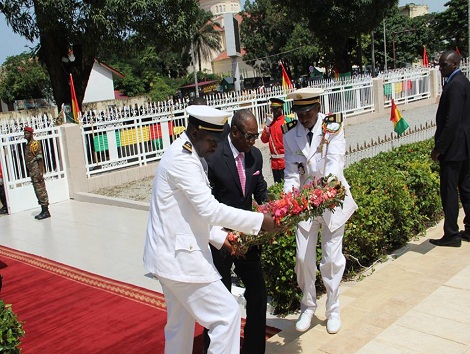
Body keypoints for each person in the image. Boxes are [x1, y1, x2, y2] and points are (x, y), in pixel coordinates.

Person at [143, 105, 278, 354]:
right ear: (195, 132)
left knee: (179, 328)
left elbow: (191, 211)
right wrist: (259, 222)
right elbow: (209, 209)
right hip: (179, 259)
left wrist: (217, 236)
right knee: (226, 315)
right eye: (212, 140)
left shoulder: (192, 156)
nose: (216, 145)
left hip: (168, 255)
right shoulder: (183, 161)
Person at [283, 87, 357, 334]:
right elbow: (292, 172)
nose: (303, 117)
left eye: (307, 112)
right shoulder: (290, 135)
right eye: (299, 112)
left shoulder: (332, 127)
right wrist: (288, 199)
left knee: (331, 260)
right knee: (303, 257)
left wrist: (325, 191)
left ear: (317, 108)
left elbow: (335, 162)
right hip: (305, 204)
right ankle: (308, 305)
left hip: (331, 198)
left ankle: (333, 309)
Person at [204, 109, 268, 354]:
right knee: (221, 299)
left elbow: (259, 188)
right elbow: (207, 204)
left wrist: (272, 207)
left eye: (255, 136)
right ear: (234, 132)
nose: (254, 141)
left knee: (258, 294)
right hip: (220, 240)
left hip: (246, 237)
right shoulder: (213, 158)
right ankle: (213, 348)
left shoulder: (255, 157)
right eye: (250, 136)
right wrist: (220, 235)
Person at [430, 50, 470, 247]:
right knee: (466, 188)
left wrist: (439, 148)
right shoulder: (463, 81)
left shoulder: (455, 85)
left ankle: (452, 234)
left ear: (455, 64)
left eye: (444, 65)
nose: (440, 68)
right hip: (465, 145)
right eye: (439, 65)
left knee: (450, 191)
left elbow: (451, 121)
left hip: (453, 148)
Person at [24, 126, 50, 220]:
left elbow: (40, 159)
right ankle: (43, 210)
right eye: (24, 133)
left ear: (31, 134)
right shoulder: (27, 145)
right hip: (32, 172)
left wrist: (40, 172)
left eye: (27, 133)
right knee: (37, 191)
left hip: (36, 172)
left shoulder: (34, 144)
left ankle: (46, 211)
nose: (25, 135)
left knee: (41, 191)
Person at [260, 98, 287, 183]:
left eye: (276, 109)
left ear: (281, 109)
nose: (274, 111)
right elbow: (264, 140)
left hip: (284, 162)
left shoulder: (285, 122)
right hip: (274, 163)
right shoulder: (270, 124)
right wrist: (267, 127)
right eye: (272, 109)